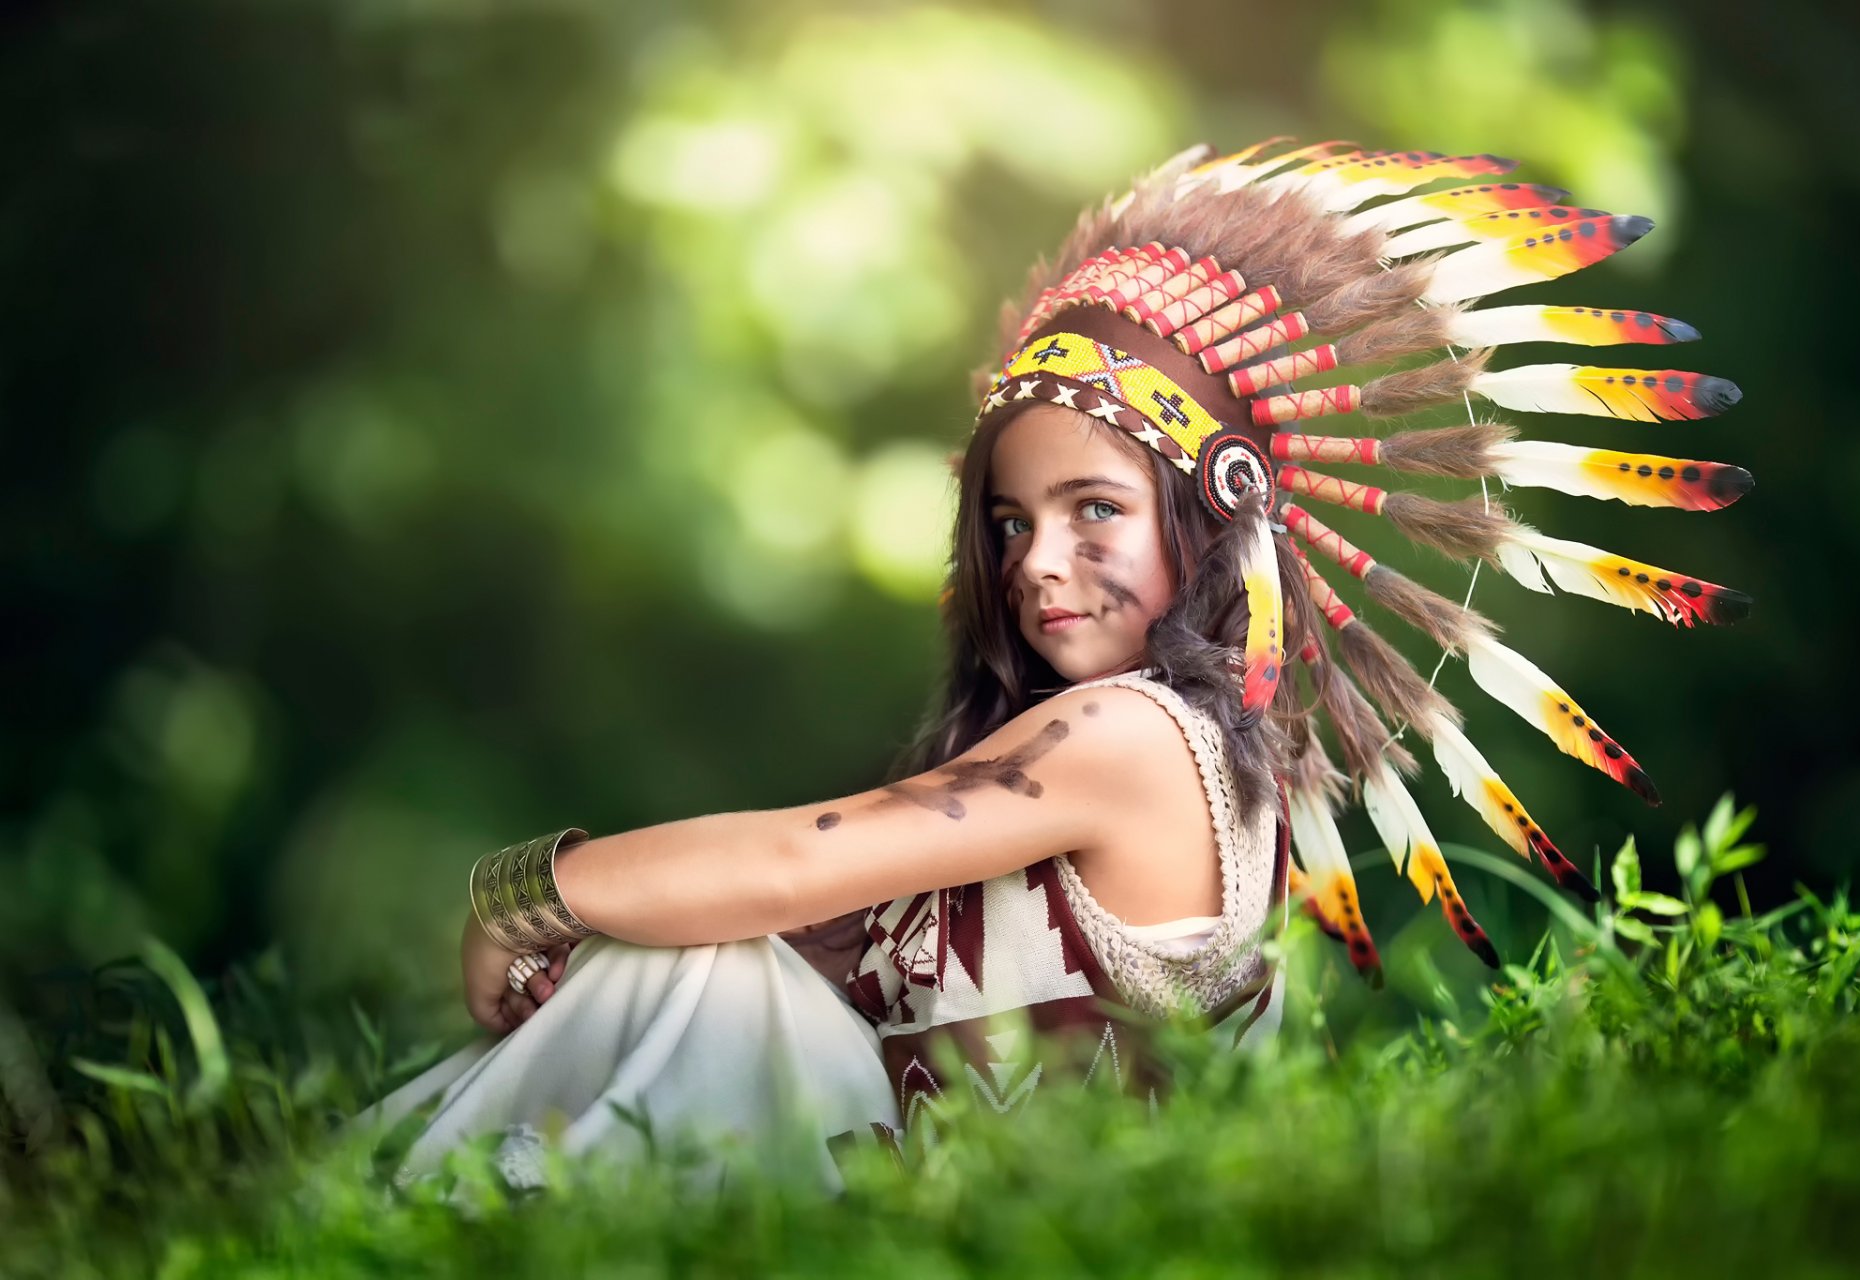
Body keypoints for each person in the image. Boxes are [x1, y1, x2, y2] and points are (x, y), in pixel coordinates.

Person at [361, 138, 1751, 1188]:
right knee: (712, 967)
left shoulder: (1133, 743)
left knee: (716, 980)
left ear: (1216, 512)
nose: (1036, 562)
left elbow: (792, 861)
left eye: (1097, 513)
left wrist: (531, 893)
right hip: (900, 1199)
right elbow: (834, 936)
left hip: (938, 1223)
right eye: (1013, 523)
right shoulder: (1165, 749)